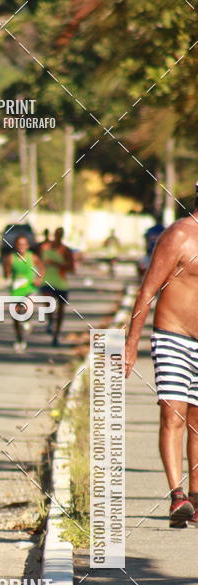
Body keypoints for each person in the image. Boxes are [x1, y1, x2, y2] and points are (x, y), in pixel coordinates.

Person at [125, 186, 198, 527]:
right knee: (173, 414)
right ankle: (177, 495)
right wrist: (130, 344)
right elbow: (148, 290)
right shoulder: (180, 235)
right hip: (173, 336)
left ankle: (195, 498)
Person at [3, 234, 44, 352]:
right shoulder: (10, 258)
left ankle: (26, 320)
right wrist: (7, 275)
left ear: (27, 246)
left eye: (23, 244)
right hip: (16, 289)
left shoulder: (33, 257)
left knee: (26, 307)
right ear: (16, 246)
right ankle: (19, 339)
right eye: (19, 244)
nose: (21, 246)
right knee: (15, 316)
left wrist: (38, 279)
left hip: (29, 288)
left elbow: (42, 268)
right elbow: (6, 273)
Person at [40, 226, 75, 347]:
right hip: (47, 280)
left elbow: (72, 269)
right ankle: (50, 321)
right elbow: (39, 262)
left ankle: (56, 336)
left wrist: (57, 264)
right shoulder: (45, 248)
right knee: (47, 302)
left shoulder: (66, 251)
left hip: (60, 282)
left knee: (60, 311)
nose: (58, 236)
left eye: (61, 234)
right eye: (57, 234)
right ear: (54, 234)